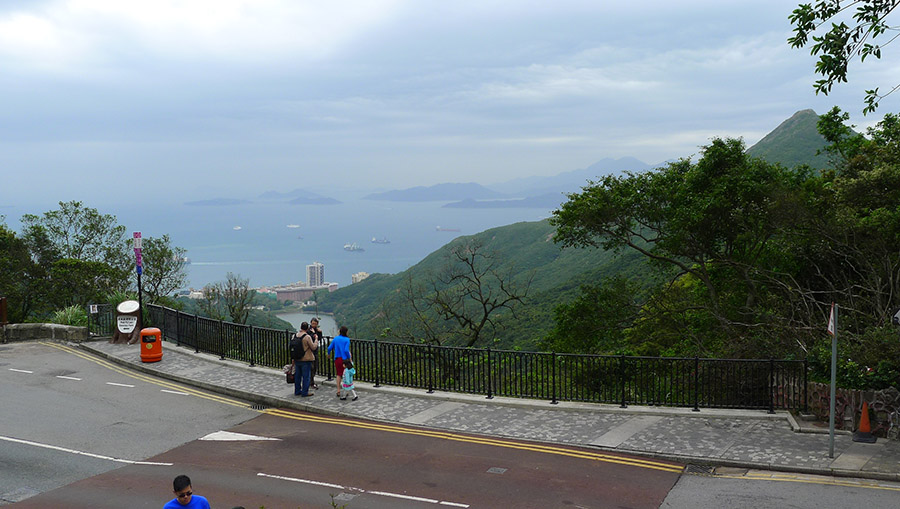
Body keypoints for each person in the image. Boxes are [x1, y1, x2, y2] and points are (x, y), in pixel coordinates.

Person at [291, 322, 318, 397]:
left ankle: (297, 391)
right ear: (307, 328)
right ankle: (305, 392)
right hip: (306, 359)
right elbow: (313, 347)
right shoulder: (307, 337)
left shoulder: (294, 335)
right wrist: (316, 339)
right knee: (306, 377)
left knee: (298, 376)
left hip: (297, 358)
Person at [327, 325, 352, 397]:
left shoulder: (336, 339)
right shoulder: (347, 340)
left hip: (337, 359)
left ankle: (338, 390)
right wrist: (349, 357)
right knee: (346, 375)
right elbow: (346, 350)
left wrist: (328, 354)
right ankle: (346, 390)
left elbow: (329, 348)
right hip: (345, 359)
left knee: (339, 374)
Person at [308, 318, 324, 390]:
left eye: (315, 324)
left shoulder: (317, 330)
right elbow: (310, 339)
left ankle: (311, 381)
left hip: (315, 351)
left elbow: (319, 339)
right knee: (311, 367)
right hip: (310, 351)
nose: (314, 325)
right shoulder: (309, 331)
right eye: (313, 323)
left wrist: (320, 332)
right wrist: (314, 333)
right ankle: (311, 382)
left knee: (315, 366)